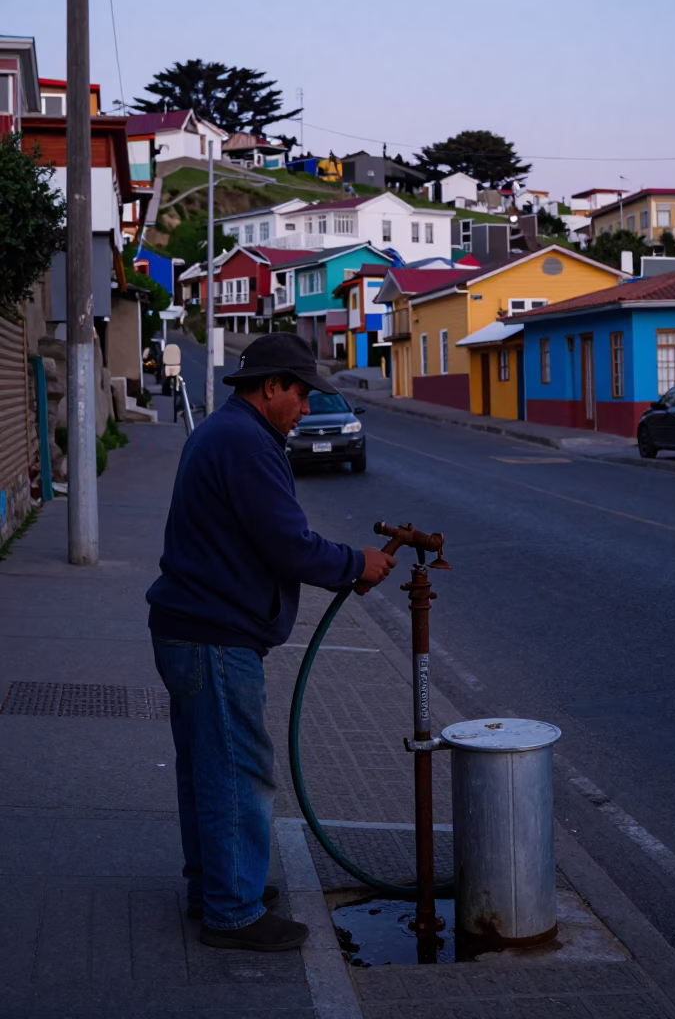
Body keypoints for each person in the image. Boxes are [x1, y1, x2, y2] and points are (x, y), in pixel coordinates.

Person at [147, 334, 395, 952]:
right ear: (272, 386)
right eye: (302, 395)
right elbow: (287, 543)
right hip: (215, 636)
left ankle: (216, 887)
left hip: (192, 627)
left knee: (206, 767)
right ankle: (232, 910)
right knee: (237, 771)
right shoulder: (245, 443)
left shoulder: (229, 432)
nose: (305, 408)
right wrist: (354, 564)